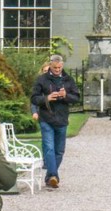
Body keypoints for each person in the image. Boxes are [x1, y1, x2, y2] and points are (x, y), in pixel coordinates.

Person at [28, 53, 78, 189]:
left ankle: (50, 176)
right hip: (46, 118)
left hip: (62, 118)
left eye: (59, 68)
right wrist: (47, 98)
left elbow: (76, 97)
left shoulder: (68, 80)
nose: (57, 70)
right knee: (49, 148)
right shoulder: (42, 80)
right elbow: (33, 98)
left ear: (62, 66)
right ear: (50, 65)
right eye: (55, 67)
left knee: (60, 151)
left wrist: (65, 95)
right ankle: (54, 175)